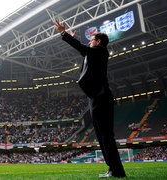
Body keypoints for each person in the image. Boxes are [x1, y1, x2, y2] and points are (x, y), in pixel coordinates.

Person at [53, 20, 126, 178]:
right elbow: (84, 51)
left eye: (91, 39)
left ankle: (117, 170)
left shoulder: (100, 51)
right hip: (94, 98)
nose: (89, 42)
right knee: (101, 135)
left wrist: (63, 33)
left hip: (101, 98)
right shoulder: (94, 54)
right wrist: (72, 38)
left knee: (106, 135)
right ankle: (112, 169)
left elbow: (83, 48)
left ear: (98, 42)